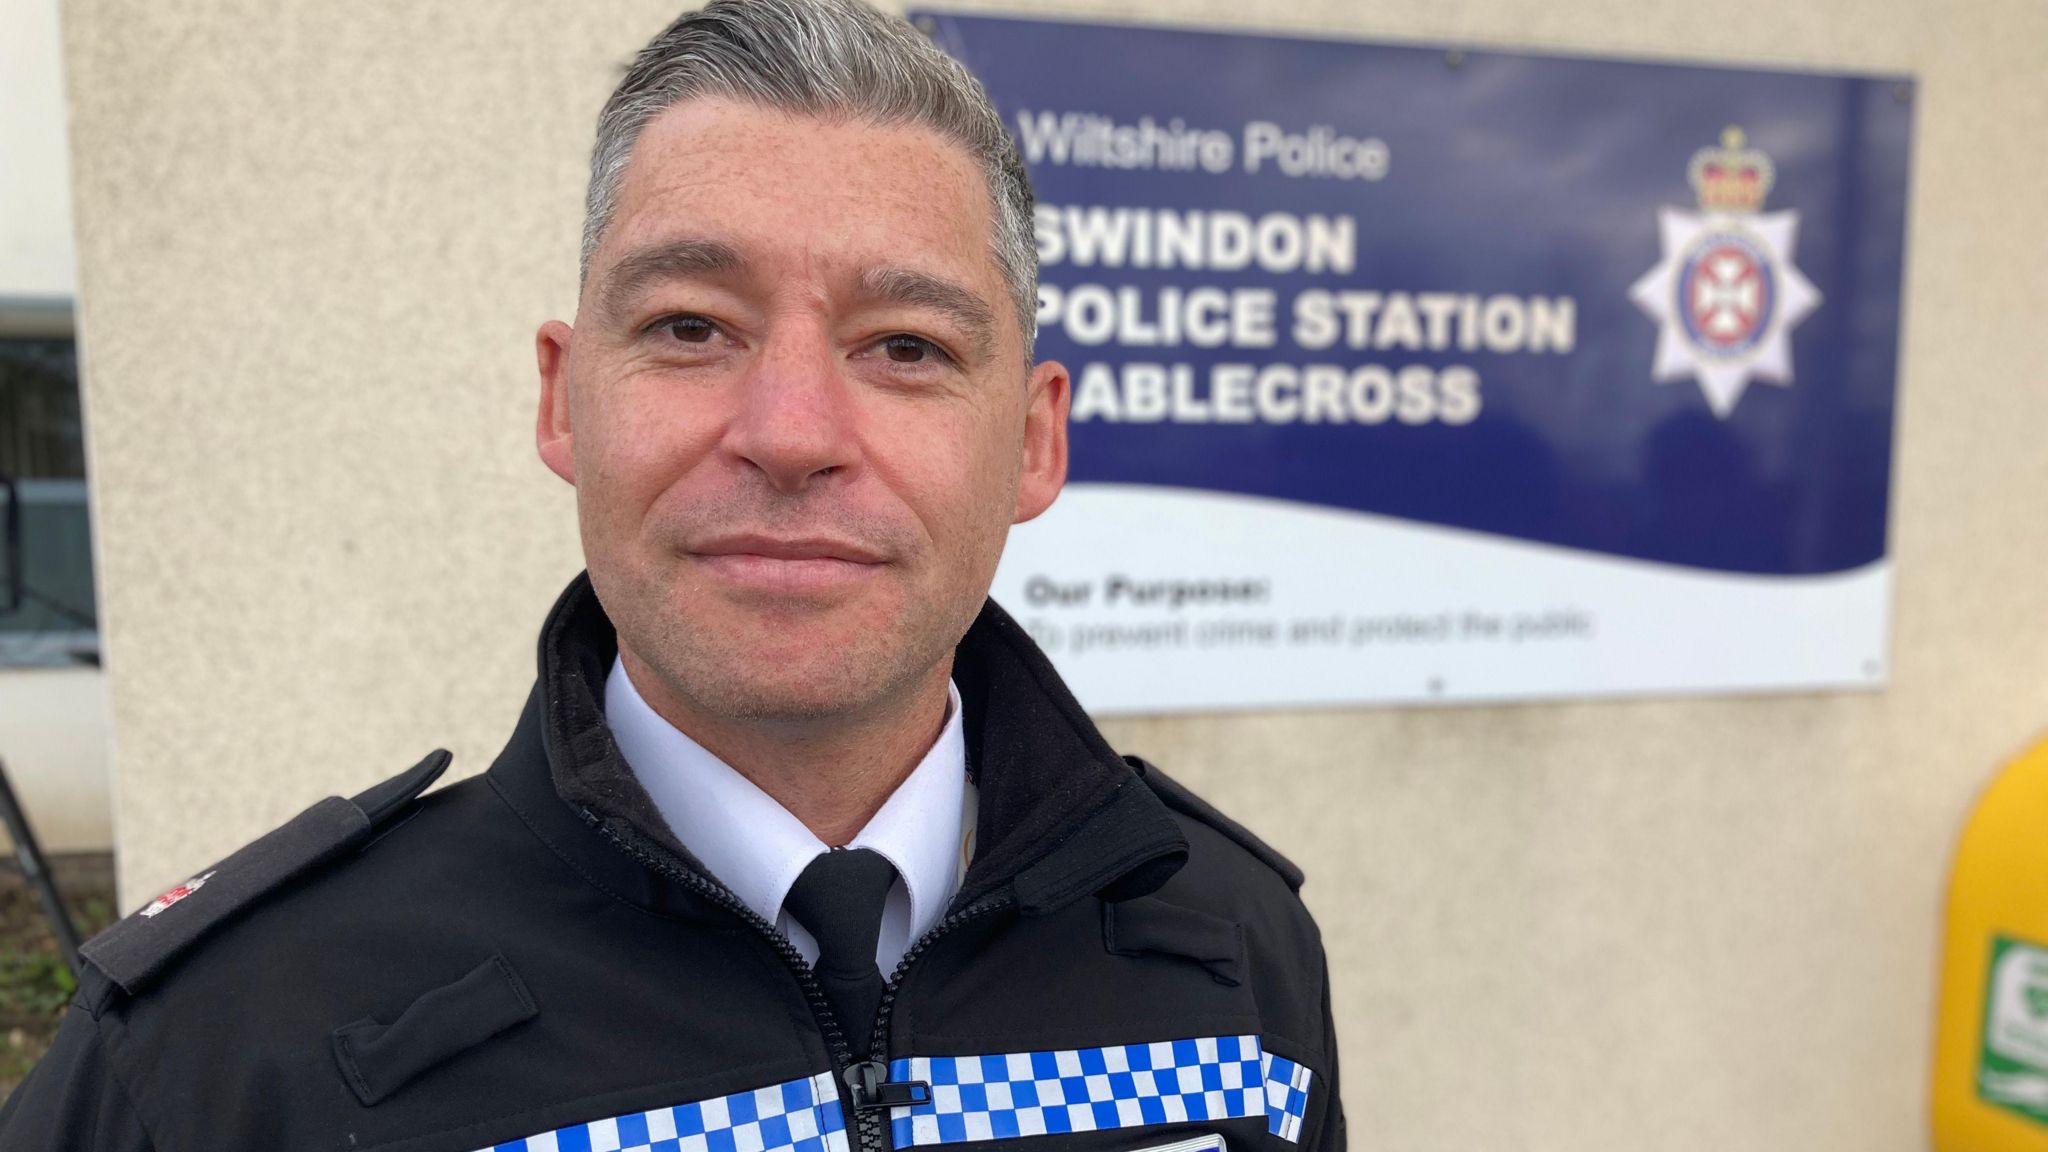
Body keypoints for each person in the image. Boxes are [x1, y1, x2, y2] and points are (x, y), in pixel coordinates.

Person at [0, 1, 1344, 1148]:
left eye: (907, 347)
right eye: (691, 326)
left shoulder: (1229, 960)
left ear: (1036, 440)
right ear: (564, 402)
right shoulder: (227, 1052)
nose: (792, 434)